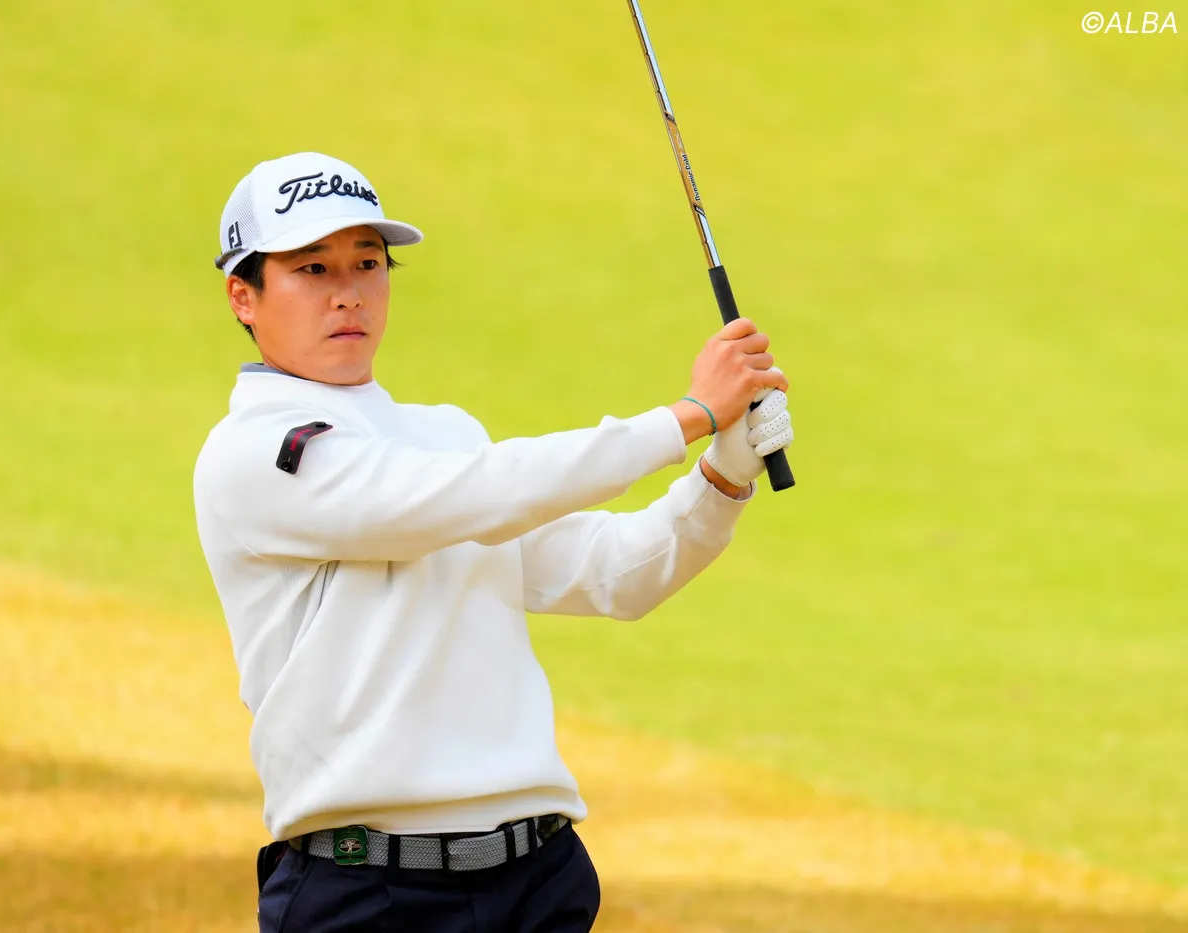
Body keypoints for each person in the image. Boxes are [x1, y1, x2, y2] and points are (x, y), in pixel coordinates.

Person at [193, 152, 794, 932]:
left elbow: (615, 572)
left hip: (535, 878)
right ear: (243, 295)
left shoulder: (446, 436)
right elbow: (467, 493)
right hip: (367, 895)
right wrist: (685, 418)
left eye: (368, 263)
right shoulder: (255, 452)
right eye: (313, 268)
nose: (348, 292)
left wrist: (723, 476)